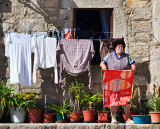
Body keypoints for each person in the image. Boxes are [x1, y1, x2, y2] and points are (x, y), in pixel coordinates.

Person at [100, 38, 136, 124]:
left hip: (124, 82)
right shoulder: (109, 55)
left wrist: (133, 67)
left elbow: (133, 64)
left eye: (122, 46)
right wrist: (103, 66)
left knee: (126, 99)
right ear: (115, 48)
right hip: (112, 81)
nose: (121, 48)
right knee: (113, 99)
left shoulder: (127, 56)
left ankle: (127, 119)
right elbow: (102, 63)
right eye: (119, 46)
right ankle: (113, 119)